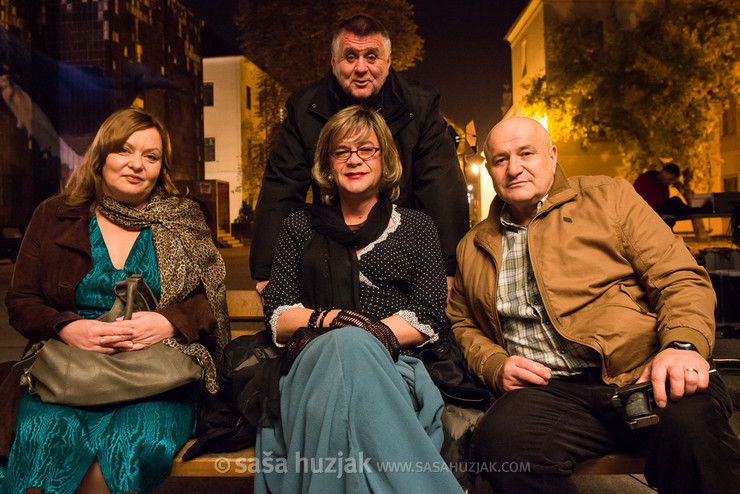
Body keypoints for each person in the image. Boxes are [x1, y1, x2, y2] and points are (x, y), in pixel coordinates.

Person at [447, 116, 740, 493]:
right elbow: (463, 323)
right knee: (501, 444)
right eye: (501, 159)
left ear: (552, 157)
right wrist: (494, 365)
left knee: (693, 433)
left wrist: (681, 346)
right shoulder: (473, 245)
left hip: (641, 370)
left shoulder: (609, 198)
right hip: (548, 393)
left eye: (526, 153)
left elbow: (679, 277)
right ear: (489, 170)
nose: (514, 167)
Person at [2, 107, 229, 494]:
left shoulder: (183, 219)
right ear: (101, 155)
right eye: (124, 150)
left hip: (158, 376)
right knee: (45, 432)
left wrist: (170, 322)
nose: (136, 165)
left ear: (162, 167)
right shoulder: (55, 215)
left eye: (151, 156)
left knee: (132, 438)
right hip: (68, 371)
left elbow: (212, 300)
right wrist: (69, 328)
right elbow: (22, 301)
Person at [256, 105, 463, 493]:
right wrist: (338, 321)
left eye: (366, 149)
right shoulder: (299, 226)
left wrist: (361, 336)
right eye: (341, 151)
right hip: (311, 365)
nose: (354, 159)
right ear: (327, 164)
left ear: (384, 159)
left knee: (350, 364)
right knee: (345, 348)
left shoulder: (417, 227)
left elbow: (431, 314)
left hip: (395, 366)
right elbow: (279, 313)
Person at [250, 14, 468, 298]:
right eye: (350, 57)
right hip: (332, 243)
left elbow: (441, 187)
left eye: (371, 56)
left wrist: (447, 267)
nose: (361, 68)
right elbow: (281, 188)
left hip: (403, 246)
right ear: (333, 62)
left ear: (388, 61)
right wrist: (267, 270)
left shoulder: (420, 105)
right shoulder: (306, 109)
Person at [633, 162, 703, 225]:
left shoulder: (664, 186)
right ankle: (694, 211)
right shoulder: (644, 180)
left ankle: (693, 211)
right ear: (664, 173)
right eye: (670, 179)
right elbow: (635, 200)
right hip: (646, 212)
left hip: (658, 212)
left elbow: (664, 202)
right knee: (675, 201)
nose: (670, 183)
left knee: (675, 202)